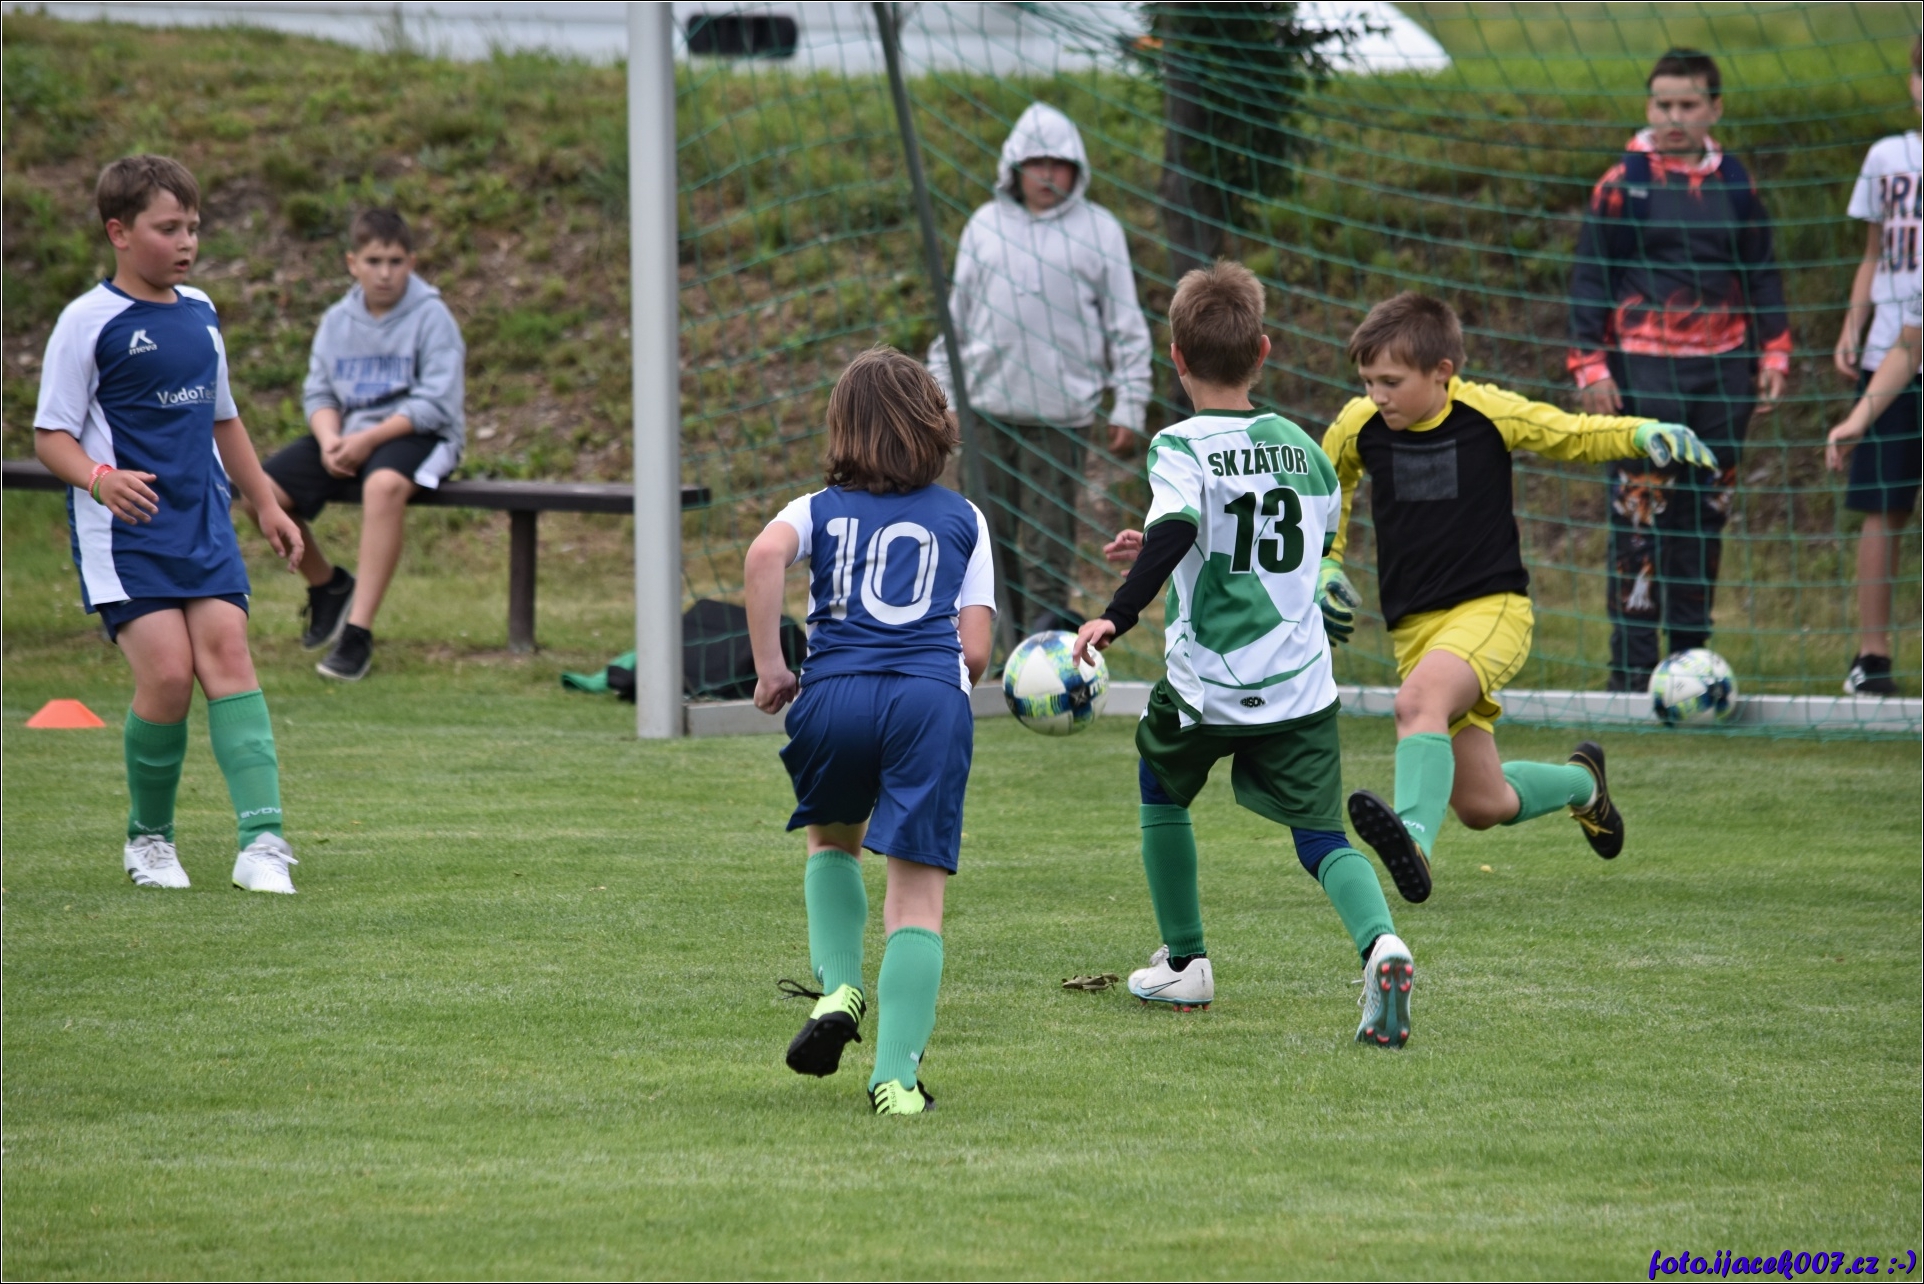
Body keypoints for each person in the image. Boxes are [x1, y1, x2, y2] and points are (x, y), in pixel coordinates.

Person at [1072, 261, 1416, 1049]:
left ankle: (1185, 961)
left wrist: (1117, 613)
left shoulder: (1178, 444)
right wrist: (1164, 547)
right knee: (1321, 838)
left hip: (1209, 684)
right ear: (1262, 351)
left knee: (1160, 786)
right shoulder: (1307, 451)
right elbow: (1277, 547)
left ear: (1176, 359)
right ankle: (1381, 945)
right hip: (1300, 686)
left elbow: (1180, 527)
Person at [1323, 293, 1716, 904]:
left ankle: (1415, 841)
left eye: (1391, 382)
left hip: (1491, 609)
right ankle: (1583, 787)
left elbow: (1571, 434)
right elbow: (1328, 487)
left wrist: (1641, 432)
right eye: (1368, 381)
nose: (1377, 395)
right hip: (1414, 629)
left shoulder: (1489, 412)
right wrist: (1327, 561)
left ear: (1442, 372)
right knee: (1483, 805)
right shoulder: (1358, 425)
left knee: (1417, 703)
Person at [32, 154, 305, 894]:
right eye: (168, 228)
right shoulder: (87, 322)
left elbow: (224, 419)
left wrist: (266, 503)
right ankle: (149, 840)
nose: (186, 242)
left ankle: (262, 842)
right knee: (169, 674)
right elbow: (50, 436)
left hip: (202, 522)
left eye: (193, 227)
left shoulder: (201, 312)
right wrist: (100, 478)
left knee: (229, 654)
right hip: (126, 535)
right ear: (119, 232)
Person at [742, 346, 996, 1116]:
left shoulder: (813, 508)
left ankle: (840, 988)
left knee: (831, 843)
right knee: (915, 901)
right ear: (934, 426)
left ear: (842, 429)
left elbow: (763, 556)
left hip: (833, 695)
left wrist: (772, 669)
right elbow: (975, 652)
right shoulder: (965, 517)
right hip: (926, 702)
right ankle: (895, 1080)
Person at [1568, 48, 1791, 692]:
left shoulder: (1737, 183)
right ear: (1648, 107)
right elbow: (1590, 279)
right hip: (1642, 374)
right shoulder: (1623, 183)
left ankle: (1692, 665)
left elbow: (1762, 273)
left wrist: (1775, 351)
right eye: (1662, 104)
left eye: (1687, 104)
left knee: (1705, 516)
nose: (1673, 117)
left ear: (1713, 109)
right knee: (1640, 515)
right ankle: (1632, 670)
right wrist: (1589, 365)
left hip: (1724, 376)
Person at [927, 101, 1153, 635]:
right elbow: (956, 323)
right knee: (986, 544)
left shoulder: (1098, 230)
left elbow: (1125, 322)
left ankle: (1043, 656)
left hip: (1061, 419)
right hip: (986, 416)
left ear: (1076, 168)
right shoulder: (984, 226)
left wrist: (1130, 403)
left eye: (1058, 163)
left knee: (1048, 549)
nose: (1047, 174)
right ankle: (994, 650)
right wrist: (944, 399)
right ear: (1015, 167)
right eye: (1036, 163)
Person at [244, 209, 466, 681]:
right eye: (374, 261)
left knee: (382, 486)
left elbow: (437, 404)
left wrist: (367, 440)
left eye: (396, 261)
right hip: (347, 433)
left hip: (417, 434)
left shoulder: (433, 317)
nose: (385, 273)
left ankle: (357, 633)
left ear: (412, 263)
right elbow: (320, 394)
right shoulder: (336, 321)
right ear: (352, 263)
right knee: (257, 490)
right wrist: (330, 440)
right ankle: (327, 586)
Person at [1830, 40, 1921, 696]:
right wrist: (1853, 324)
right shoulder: (1887, 157)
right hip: (1891, 356)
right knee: (1883, 505)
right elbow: (1874, 254)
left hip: (1907, 350)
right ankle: (1872, 657)